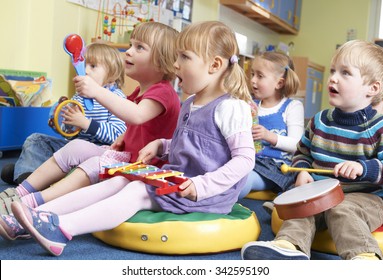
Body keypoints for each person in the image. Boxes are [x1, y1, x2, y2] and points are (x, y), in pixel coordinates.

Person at [1, 20, 255, 257]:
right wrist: (161, 145)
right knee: (120, 181)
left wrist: (202, 187)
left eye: (185, 57)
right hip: (176, 178)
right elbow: (190, 144)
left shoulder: (231, 107)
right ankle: (35, 216)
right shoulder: (190, 103)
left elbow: (244, 160)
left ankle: (61, 229)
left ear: (215, 65)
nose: (176, 64)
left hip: (204, 193)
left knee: (136, 190)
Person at [0, 22, 181, 216]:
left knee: (94, 164)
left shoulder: (164, 92)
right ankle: (19, 192)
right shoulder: (139, 90)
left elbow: (137, 115)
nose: (128, 52)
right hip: (128, 158)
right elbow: (139, 125)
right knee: (76, 146)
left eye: (139, 47)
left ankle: (33, 202)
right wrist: (124, 137)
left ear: (162, 61)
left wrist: (96, 92)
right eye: (130, 45)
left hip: (146, 169)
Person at [241, 40, 383, 260]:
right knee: (302, 208)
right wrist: (302, 170)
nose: (333, 78)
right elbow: (303, 152)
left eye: (345, 73)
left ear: (372, 88)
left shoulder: (382, 127)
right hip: (321, 194)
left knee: (343, 210)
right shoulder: (319, 121)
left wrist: (363, 168)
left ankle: (365, 257)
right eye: (333, 71)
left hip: (366, 199)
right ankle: (288, 248)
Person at [0, 43, 127, 186]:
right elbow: (69, 134)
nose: (85, 70)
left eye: (93, 66)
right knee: (36, 139)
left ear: (112, 74)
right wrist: (62, 125)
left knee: (72, 157)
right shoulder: (79, 97)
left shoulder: (117, 98)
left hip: (98, 154)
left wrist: (86, 124)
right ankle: (26, 175)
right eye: (83, 65)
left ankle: (29, 176)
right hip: (72, 149)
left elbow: (118, 136)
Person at [238, 51, 304, 201]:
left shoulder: (292, 106)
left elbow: (297, 144)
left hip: (277, 168)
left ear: (279, 83)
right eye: (252, 74)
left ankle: (219, 205)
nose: (253, 80)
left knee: (243, 179)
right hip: (250, 161)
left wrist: (269, 136)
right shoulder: (251, 105)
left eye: (260, 76)